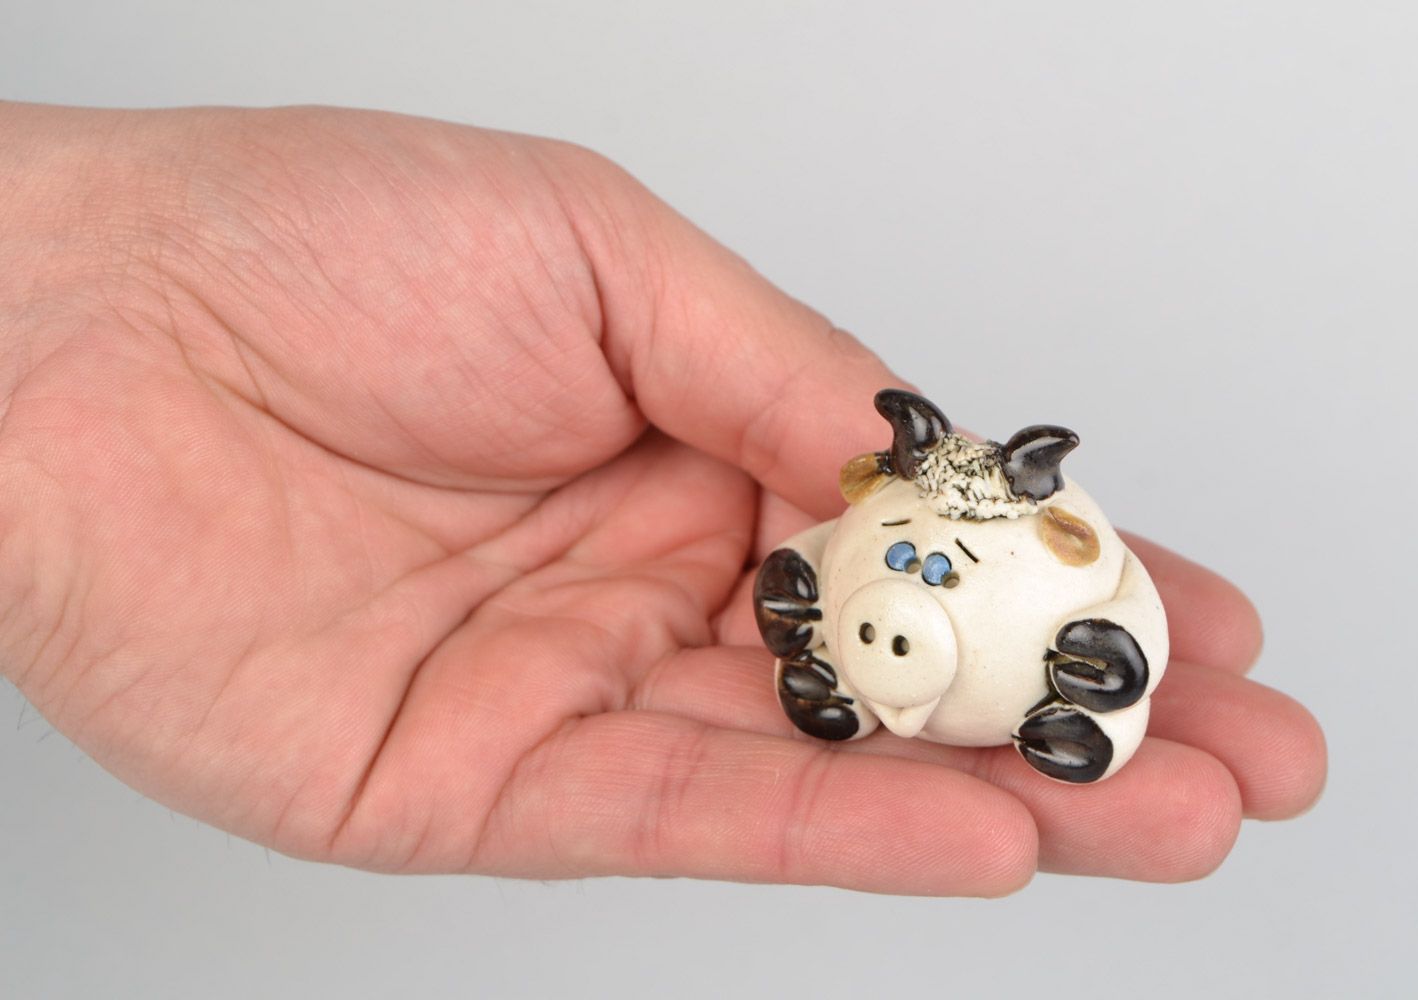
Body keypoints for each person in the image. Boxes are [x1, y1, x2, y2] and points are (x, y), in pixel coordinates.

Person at [0, 102, 1325, 895]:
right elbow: (851, 526)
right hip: (871, 594)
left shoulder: (1077, 560)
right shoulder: (875, 517)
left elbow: (1110, 591)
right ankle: (832, 651)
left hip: (1041, 634)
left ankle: (1065, 701)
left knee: (1101, 650)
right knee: (841, 576)